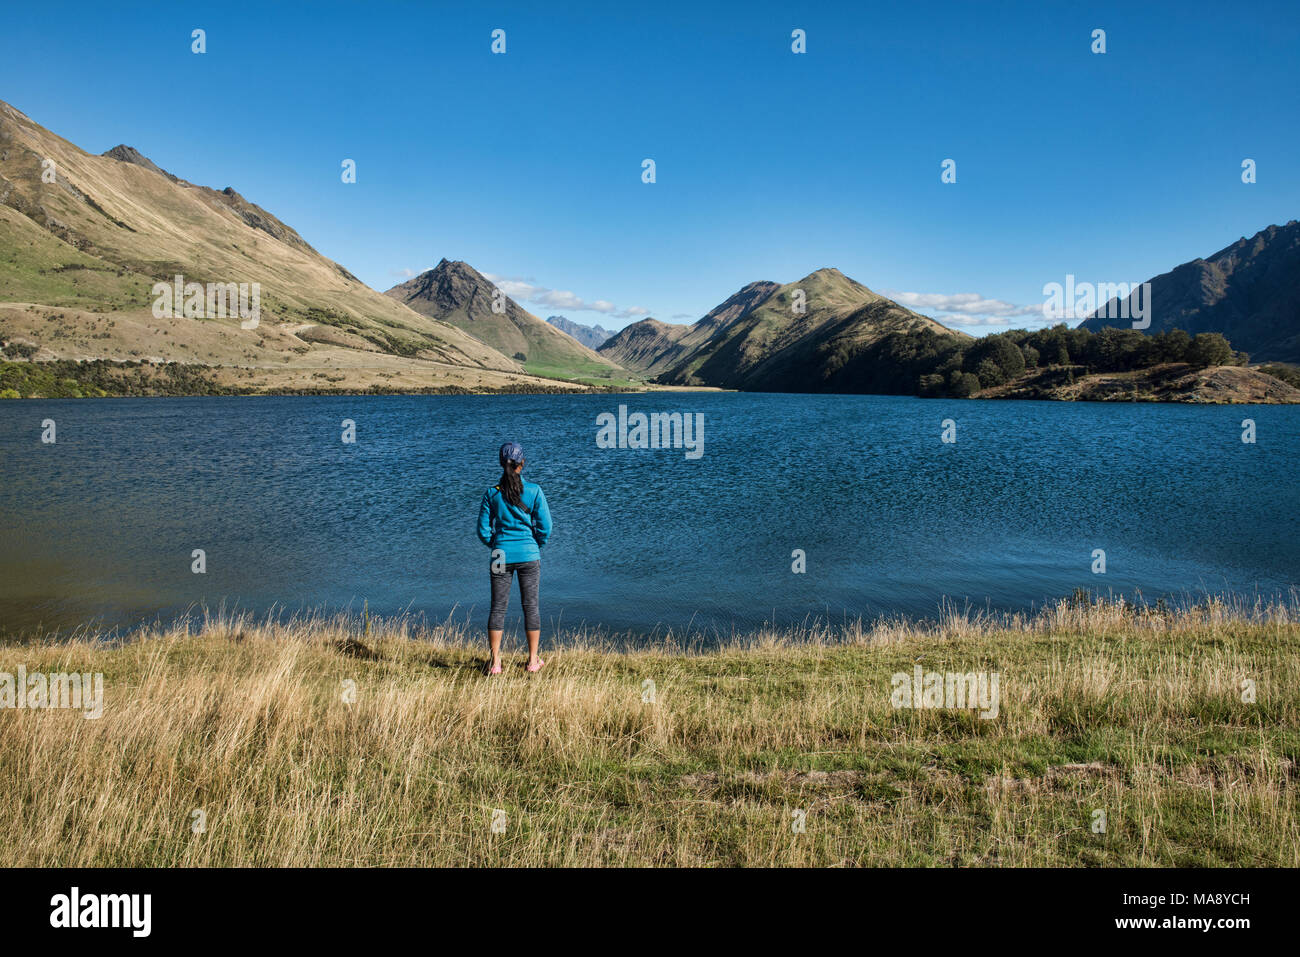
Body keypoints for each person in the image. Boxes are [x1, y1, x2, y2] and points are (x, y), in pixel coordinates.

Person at [477, 441, 552, 674]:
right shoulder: (534, 491)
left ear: (501, 463)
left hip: (500, 554)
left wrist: (496, 543)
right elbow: (546, 527)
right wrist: (535, 544)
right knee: (531, 606)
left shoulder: (492, 493)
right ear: (523, 463)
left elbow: (482, 529)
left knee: (498, 607)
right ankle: (532, 661)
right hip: (529, 553)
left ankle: (496, 662)